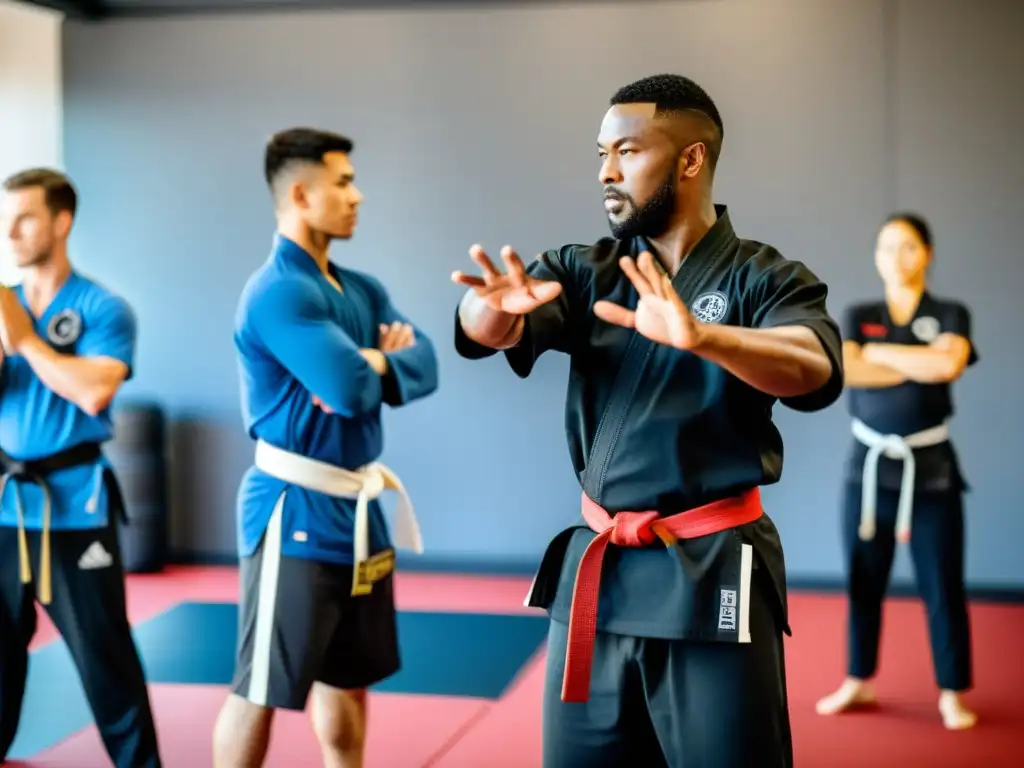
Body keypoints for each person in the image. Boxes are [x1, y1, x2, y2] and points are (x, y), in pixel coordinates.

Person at [452, 74, 844, 767]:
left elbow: (813, 364)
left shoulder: (766, 278)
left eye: (627, 151)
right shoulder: (587, 270)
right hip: (599, 580)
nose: (606, 170)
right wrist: (491, 313)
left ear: (690, 159)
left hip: (710, 570)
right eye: (601, 152)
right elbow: (487, 328)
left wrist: (708, 338)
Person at [212, 128, 439, 768]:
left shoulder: (359, 289)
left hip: (358, 506)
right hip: (293, 509)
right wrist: (367, 365)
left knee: (347, 675)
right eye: (344, 183)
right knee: (259, 687)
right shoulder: (279, 291)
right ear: (304, 195)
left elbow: (426, 363)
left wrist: (367, 367)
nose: (358, 196)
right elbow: (346, 387)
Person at [0, 168, 162, 767]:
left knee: (104, 654)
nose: (11, 232)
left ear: (61, 222)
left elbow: (94, 391)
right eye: (6, 218)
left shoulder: (102, 307)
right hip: (3, 504)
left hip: (74, 505)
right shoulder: (2, 303)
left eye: (26, 218)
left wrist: (27, 342)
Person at [815, 213, 978, 730]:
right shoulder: (859, 312)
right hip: (867, 470)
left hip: (932, 471)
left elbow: (948, 365)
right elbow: (849, 369)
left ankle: (952, 691)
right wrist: (914, 358)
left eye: (907, 247)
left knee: (942, 583)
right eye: (886, 248)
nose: (896, 258)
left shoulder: (950, 313)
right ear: (876, 256)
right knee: (864, 580)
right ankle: (858, 679)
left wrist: (880, 353)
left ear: (926, 252)